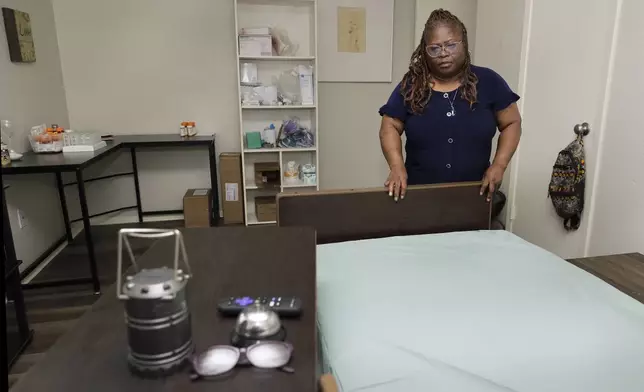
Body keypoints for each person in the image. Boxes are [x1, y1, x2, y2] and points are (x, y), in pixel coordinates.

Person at [379, 9, 522, 202]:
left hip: (475, 194)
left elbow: (511, 122)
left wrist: (500, 164)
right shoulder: (411, 86)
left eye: (451, 45)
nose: (444, 54)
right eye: (435, 48)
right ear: (425, 51)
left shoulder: (489, 81)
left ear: (464, 44)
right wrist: (396, 167)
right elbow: (389, 126)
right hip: (419, 196)